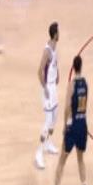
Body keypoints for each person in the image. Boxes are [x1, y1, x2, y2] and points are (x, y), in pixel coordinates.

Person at [44, 55, 89, 185]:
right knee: (80, 160)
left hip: (73, 126)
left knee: (61, 162)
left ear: (73, 67)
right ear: (81, 66)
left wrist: (64, 125)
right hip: (83, 125)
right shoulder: (85, 84)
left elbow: (67, 107)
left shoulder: (72, 85)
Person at [35, 22, 60, 170]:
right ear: (55, 34)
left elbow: (54, 64)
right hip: (48, 89)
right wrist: (44, 88)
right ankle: (38, 153)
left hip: (53, 87)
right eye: (58, 32)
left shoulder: (55, 47)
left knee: (55, 118)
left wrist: (58, 74)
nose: (59, 34)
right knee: (48, 121)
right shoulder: (47, 51)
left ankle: (48, 143)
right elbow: (39, 71)